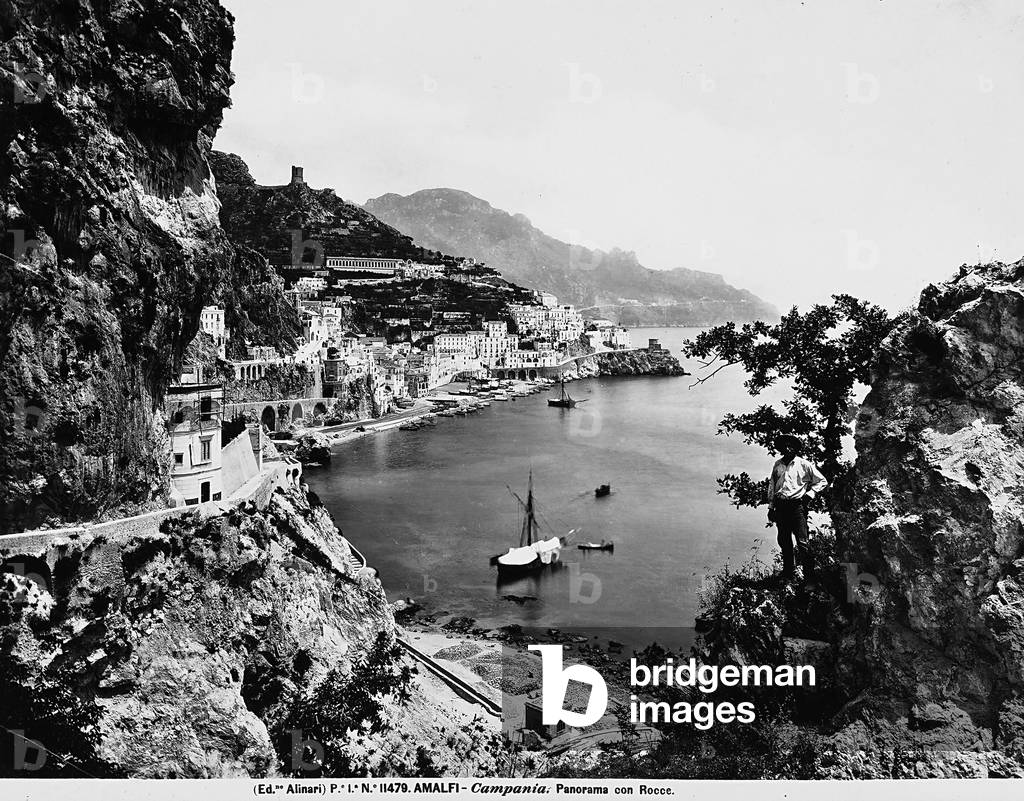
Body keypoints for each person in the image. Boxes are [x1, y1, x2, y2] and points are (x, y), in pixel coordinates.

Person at [767, 434, 827, 580]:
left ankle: (810, 578)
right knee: (784, 540)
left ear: (795, 448)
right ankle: (788, 573)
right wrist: (771, 507)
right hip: (781, 507)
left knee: (803, 542)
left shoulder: (804, 464)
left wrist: (810, 494)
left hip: (796, 507)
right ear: (781, 448)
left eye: (791, 446)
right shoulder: (778, 465)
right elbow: (772, 486)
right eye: (785, 446)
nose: (788, 448)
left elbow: (822, 481)